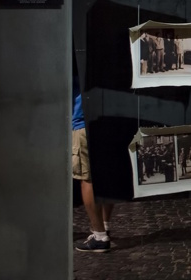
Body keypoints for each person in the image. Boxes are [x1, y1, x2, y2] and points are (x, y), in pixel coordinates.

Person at [73, 77, 115, 253]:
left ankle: (99, 235)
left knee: (88, 179)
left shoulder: (72, 57)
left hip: (83, 123)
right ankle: (104, 226)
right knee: (106, 176)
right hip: (107, 119)